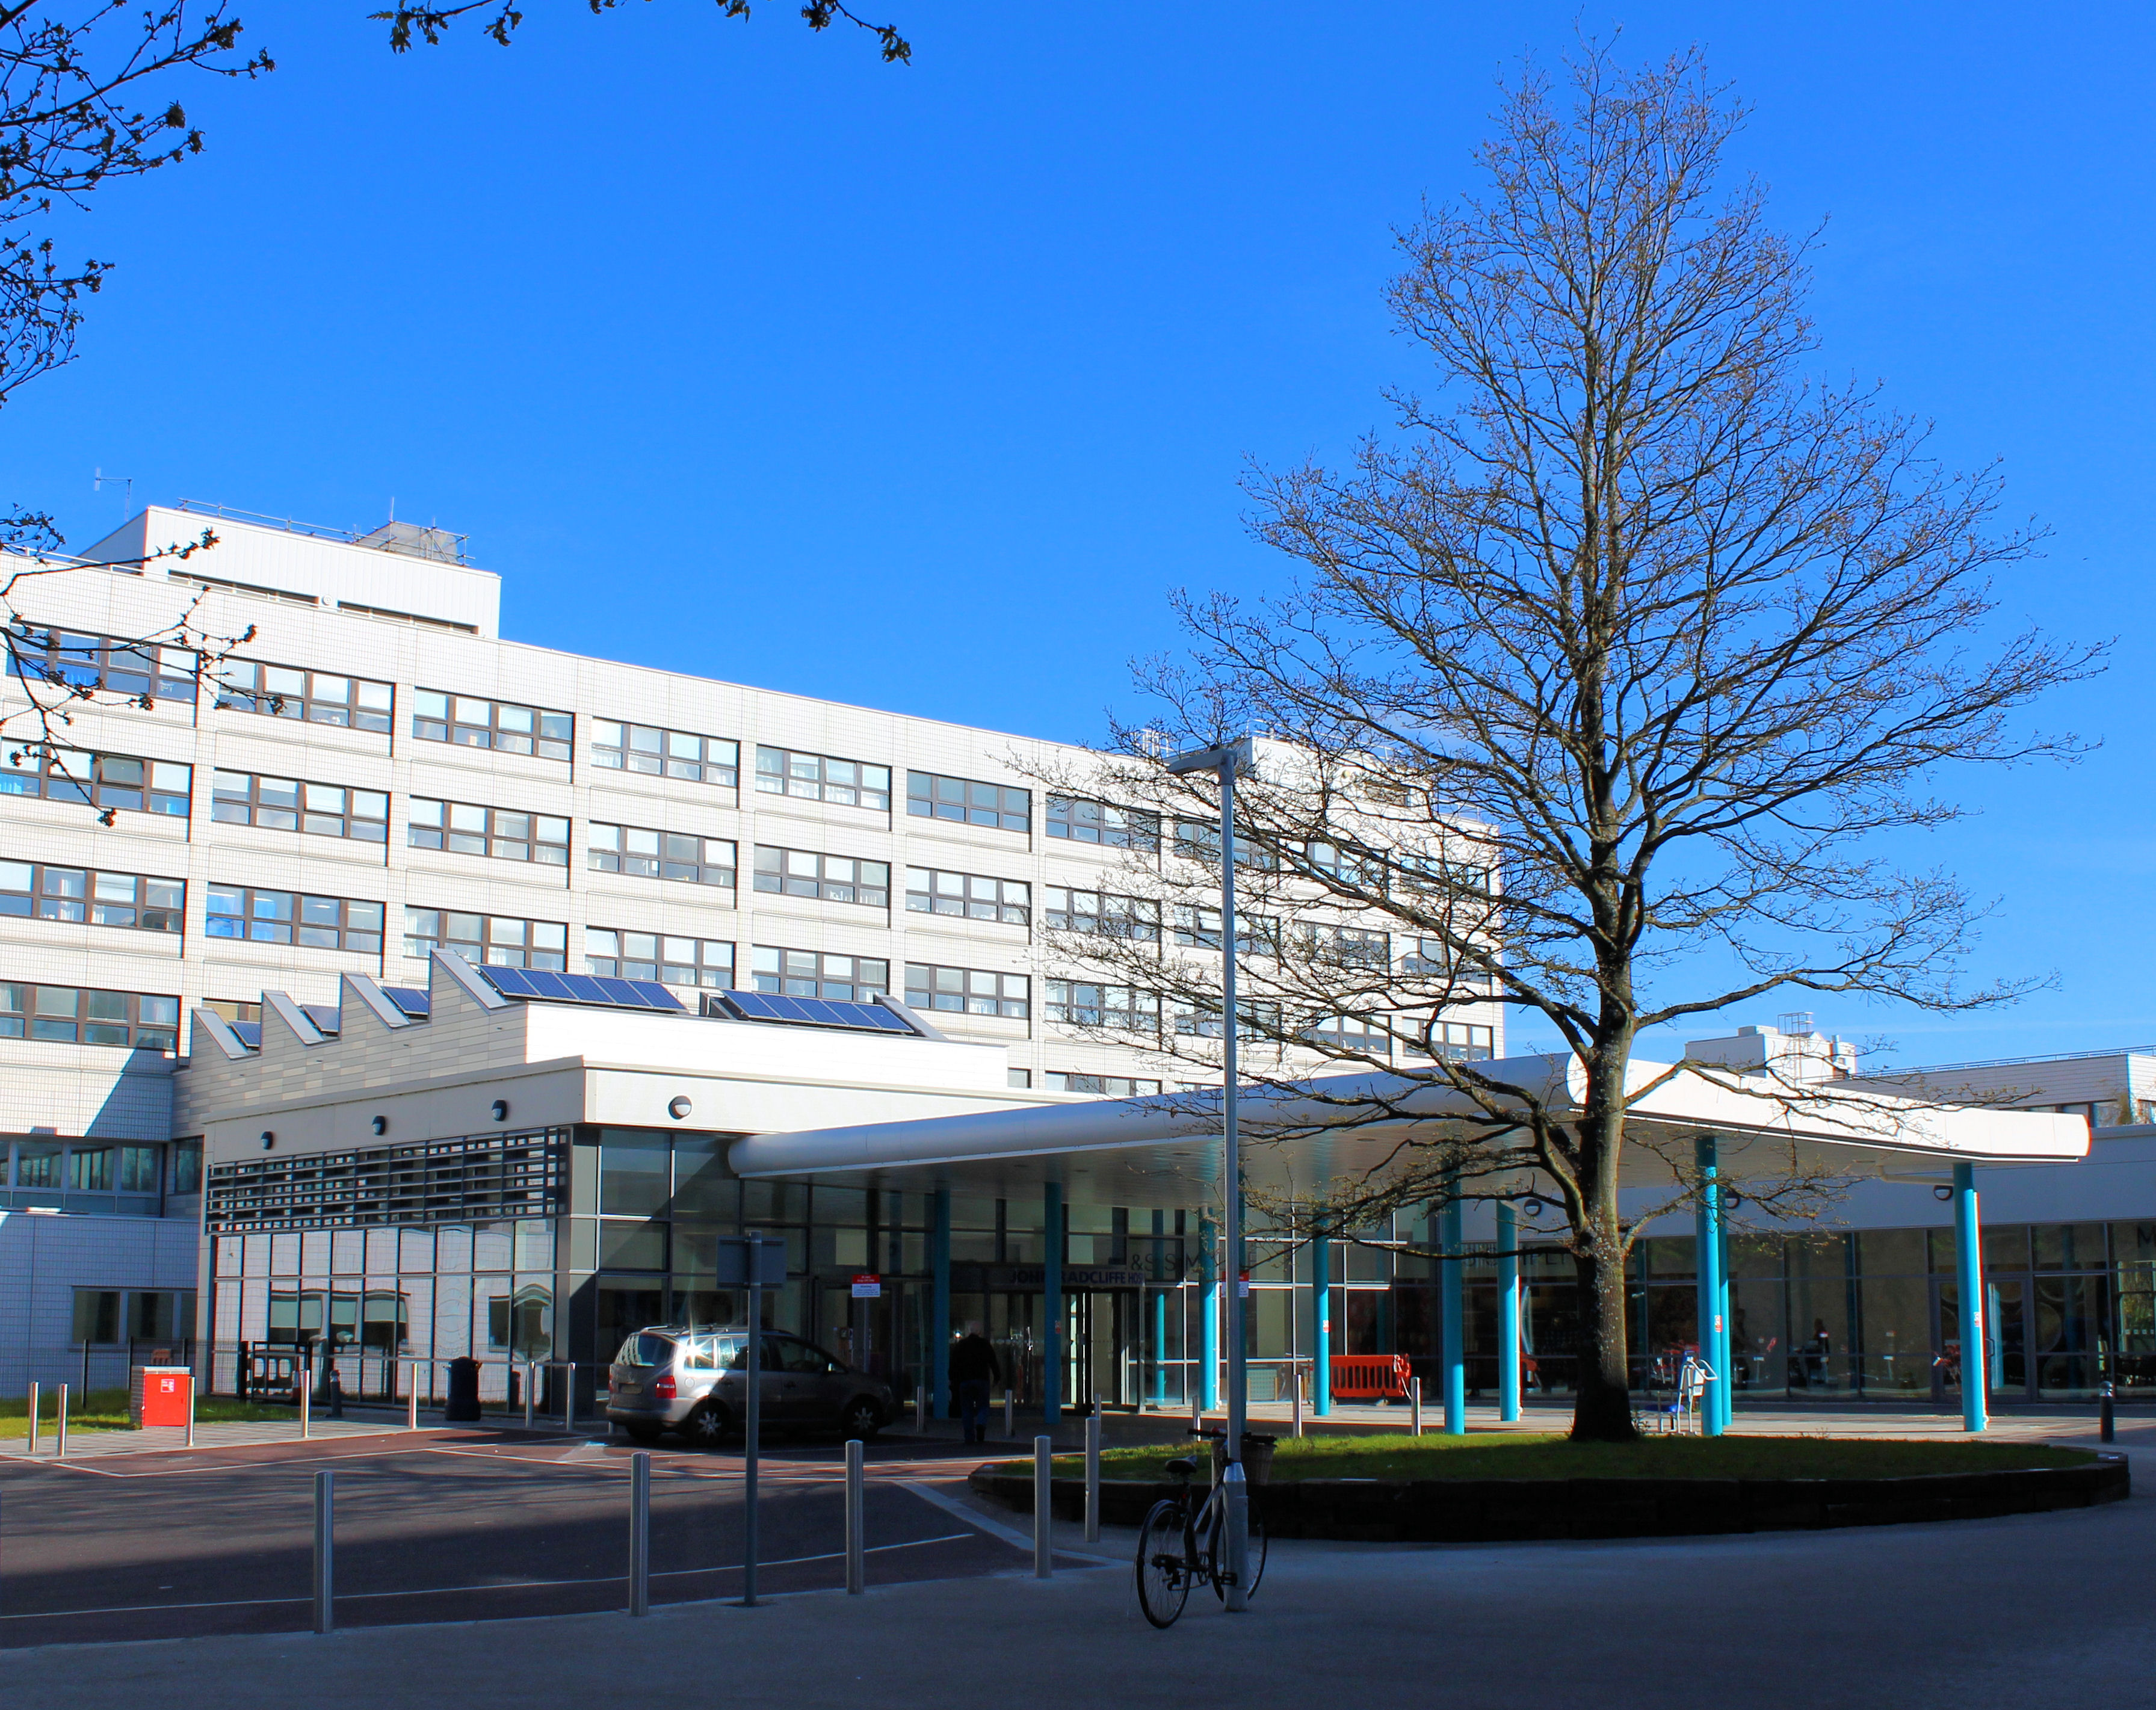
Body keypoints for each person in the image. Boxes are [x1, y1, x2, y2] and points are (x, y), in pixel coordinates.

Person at [949, 1324, 1002, 1445]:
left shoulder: (961, 1345)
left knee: (966, 1409)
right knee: (983, 1406)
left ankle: (969, 1436)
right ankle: (981, 1424)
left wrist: (952, 1379)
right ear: (980, 1332)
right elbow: (993, 1362)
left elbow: (954, 1364)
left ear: (969, 1332)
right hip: (982, 1380)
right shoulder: (985, 1344)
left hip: (965, 1381)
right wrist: (997, 1377)